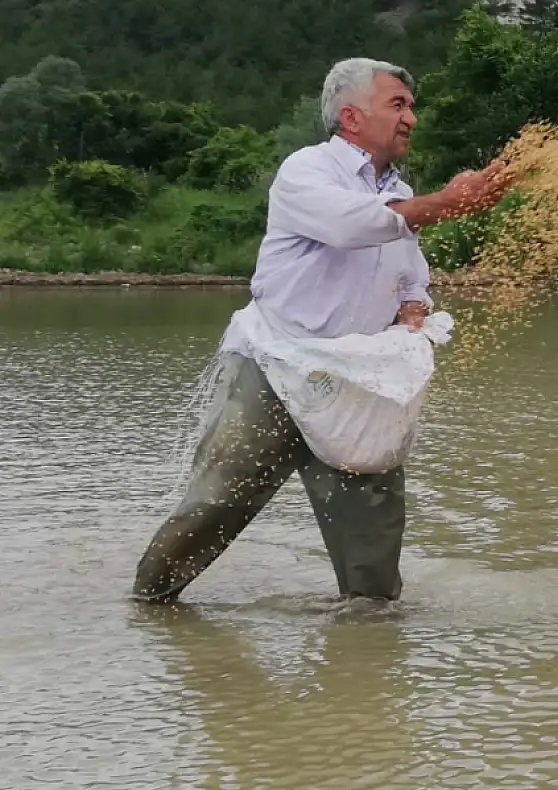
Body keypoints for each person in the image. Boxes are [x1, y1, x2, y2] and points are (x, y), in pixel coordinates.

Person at [131, 57, 513, 604]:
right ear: (351, 116)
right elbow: (351, 224)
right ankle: (149, 603)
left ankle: (368, 651)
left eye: (411, 106)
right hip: (277, 367)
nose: (412, 118)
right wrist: (449, 203)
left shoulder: (400, 191)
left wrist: (412, 307)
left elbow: (411, 276)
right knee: (218, 501)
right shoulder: (306, 171)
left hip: (359, 381)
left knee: (373, 538)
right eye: (398, 104)